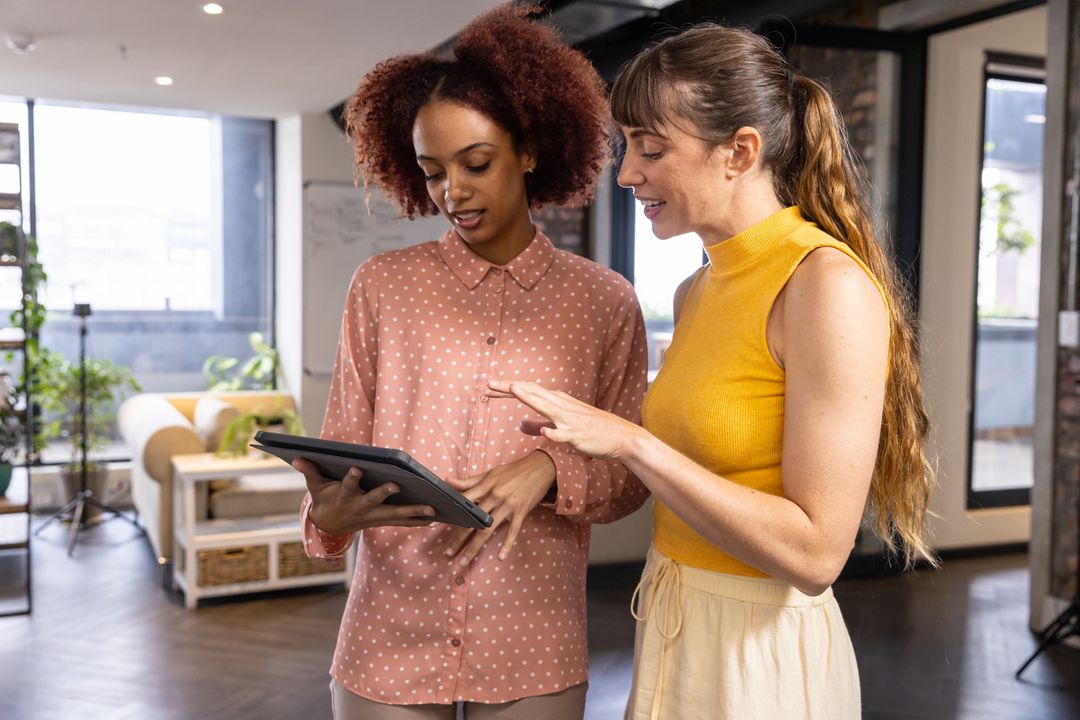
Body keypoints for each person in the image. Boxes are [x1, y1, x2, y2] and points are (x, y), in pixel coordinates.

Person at [490, 23, 936, 720]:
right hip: (675, 618)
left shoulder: (822, 283)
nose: (628, 172)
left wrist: (634, 442)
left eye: (651, 148)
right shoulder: (696, 290)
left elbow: (818, 553)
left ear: (741, 152)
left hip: (759, 655)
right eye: (625, 146)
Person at [294, 5, 650, 719]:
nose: (451, 191)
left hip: (534, 636)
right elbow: (340, 454)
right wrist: (329, 515)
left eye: (475, 164)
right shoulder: (382, 288)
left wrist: (551, 468)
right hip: (388, 632)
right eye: (431, 172)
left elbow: (631, 472)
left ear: (529, 150)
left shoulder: (605, 302)